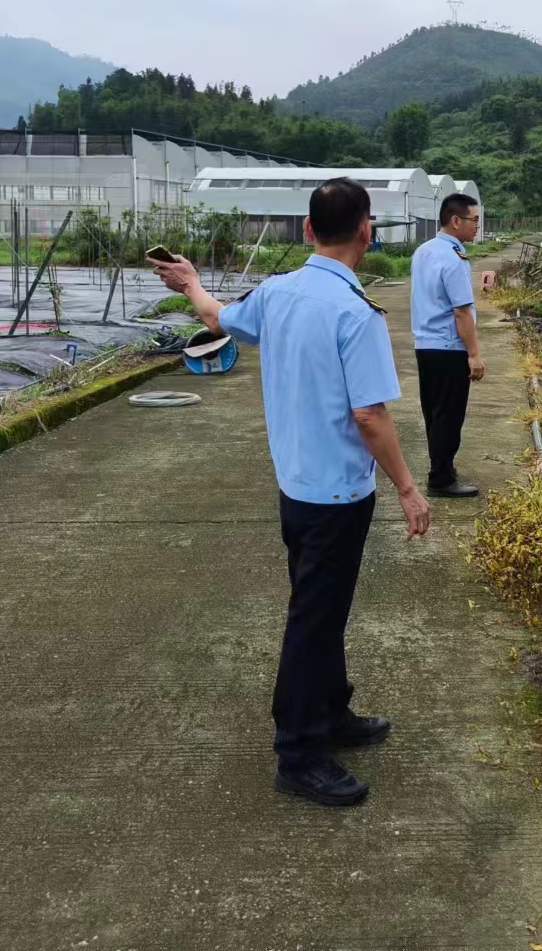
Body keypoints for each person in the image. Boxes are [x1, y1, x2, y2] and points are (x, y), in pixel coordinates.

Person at [152, 177, 431, 809]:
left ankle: (332, 712)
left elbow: (218, 317)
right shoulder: (354, 314)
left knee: (322, 610)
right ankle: (299, 750)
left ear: (307, 230)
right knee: (313, 620)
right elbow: (371, 417)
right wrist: (410, 490)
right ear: (367, 231)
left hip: (296, 489)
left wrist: (192, 280)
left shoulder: (277, 293)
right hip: (335, 496)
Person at [409, 192, 485, 497]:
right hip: (449, 347)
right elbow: (461, 311)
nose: (477, 226)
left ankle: (442, 467)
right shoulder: (454, 258)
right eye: (474, 220)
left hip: (425, 345)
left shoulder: (424, 251)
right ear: (455, 221)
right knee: (449, 415)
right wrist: (475, 354)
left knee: (434, 412)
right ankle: (440, 478)